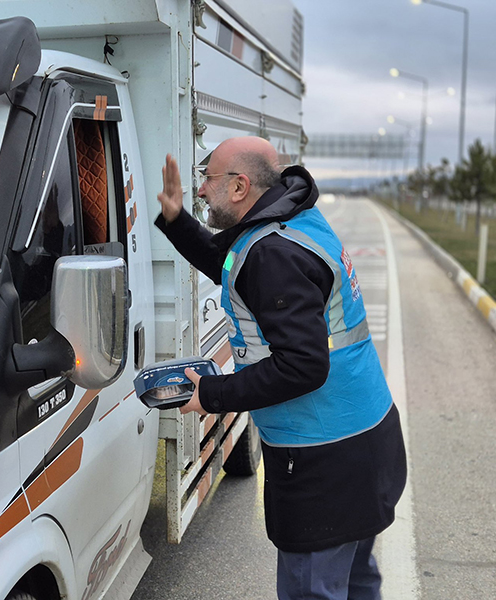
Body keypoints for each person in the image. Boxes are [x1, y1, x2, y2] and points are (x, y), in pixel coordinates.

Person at [154, 136, 407, 600]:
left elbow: (302, 366)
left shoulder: (274, 254)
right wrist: (176, 220)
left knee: (313, 590)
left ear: (239, 187)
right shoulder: (292, 221)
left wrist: (212, 394)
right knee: (356, 581)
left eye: (208, 179)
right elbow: (238, 267)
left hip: (324, 462)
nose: (201, 190)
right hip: (365, 442)